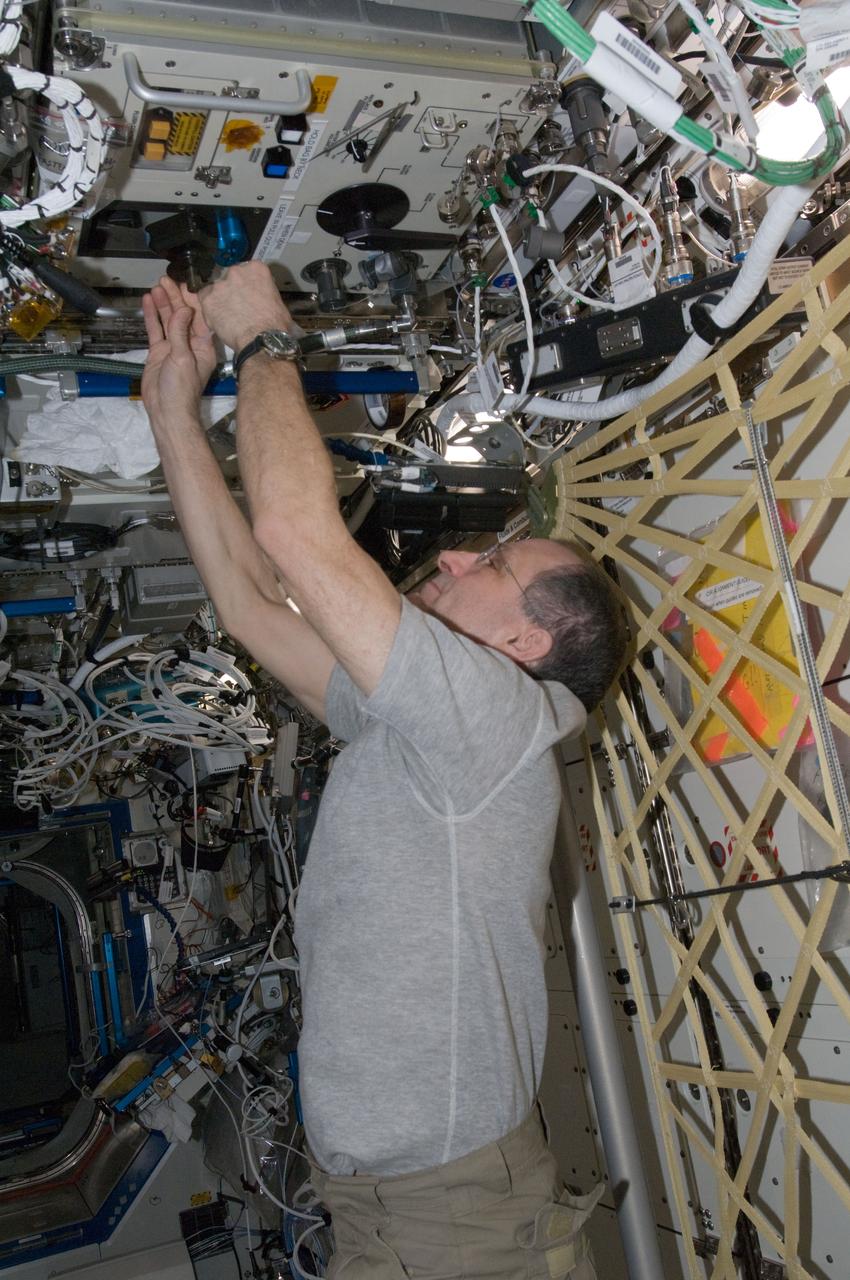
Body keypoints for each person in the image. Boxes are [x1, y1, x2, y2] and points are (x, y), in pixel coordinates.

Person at [141, 262, 628, 1280]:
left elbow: (291, 535)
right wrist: (172, 406)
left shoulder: (498, 721)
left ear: (530, 646)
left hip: (444, 1221)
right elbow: (250, 603)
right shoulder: (431, 732)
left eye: (490, 568)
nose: (453, 559)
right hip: (419, 1207)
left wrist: (267, 342)